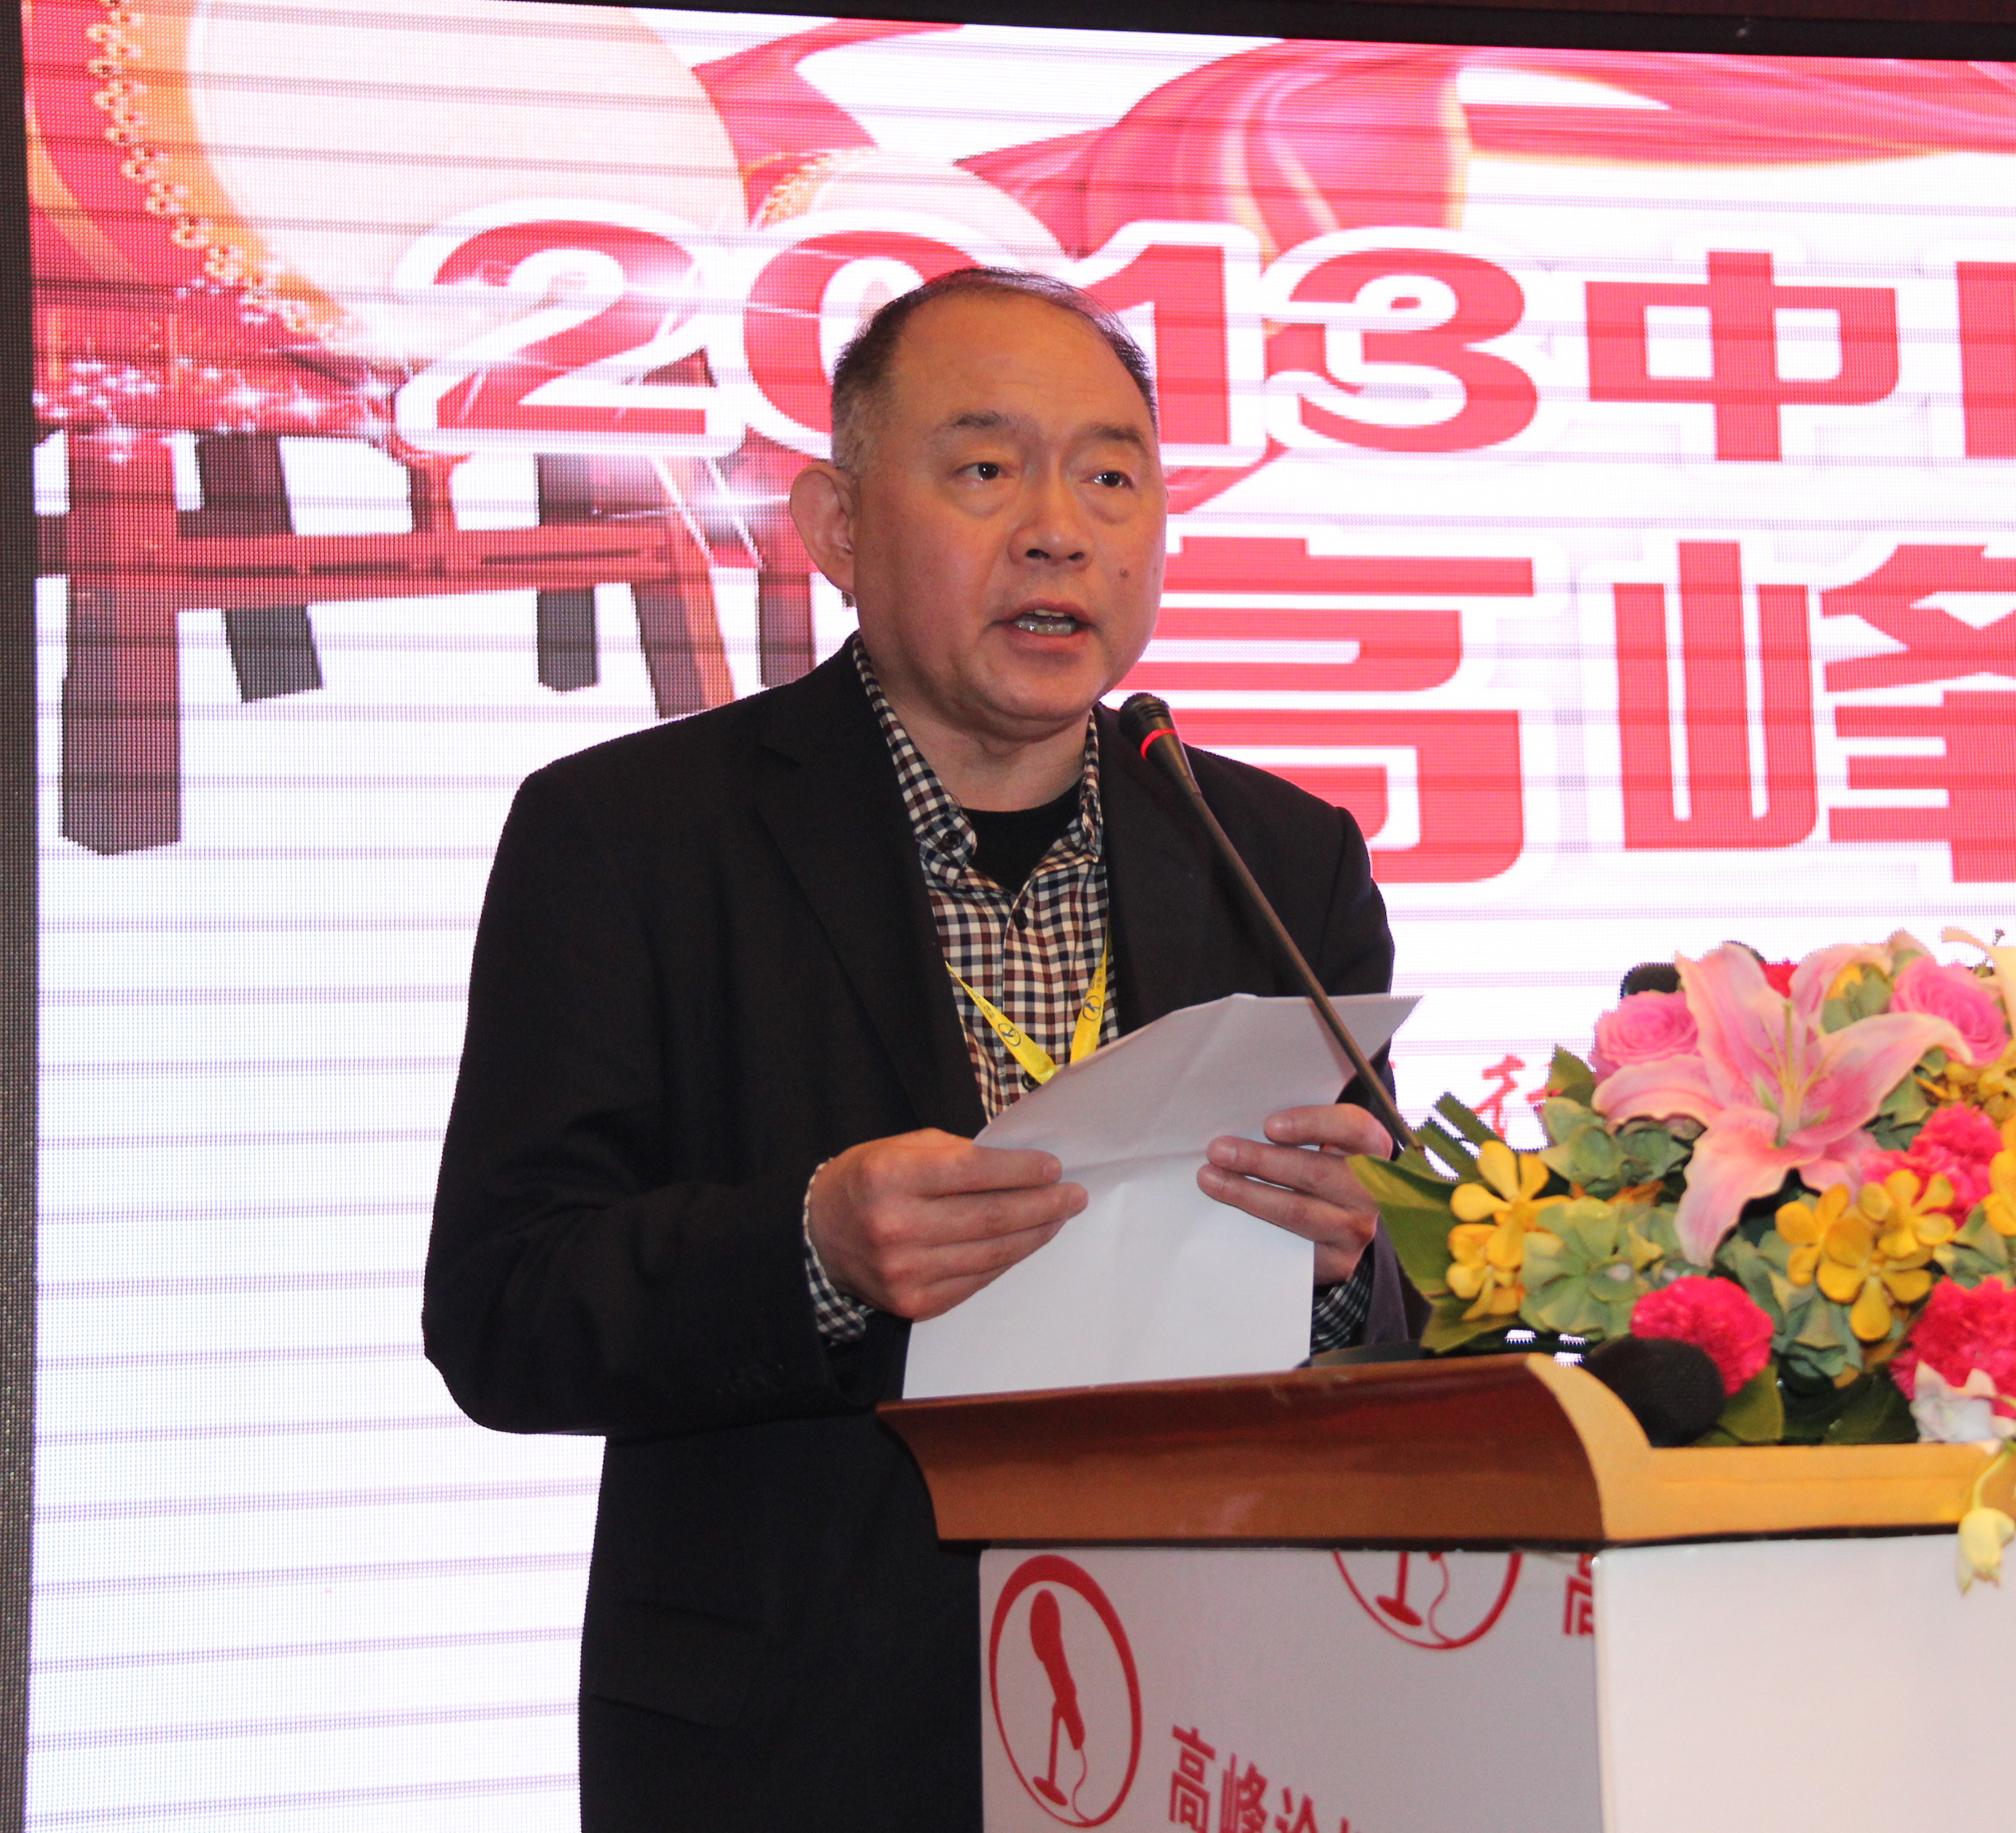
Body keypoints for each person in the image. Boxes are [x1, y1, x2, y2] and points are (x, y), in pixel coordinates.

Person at [422, 268, 1413, 1831]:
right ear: (834, 527)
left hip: (1210, 1722)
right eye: (985, 467)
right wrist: (809, 1250)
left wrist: (1349, 1264)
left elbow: (1383, 1309)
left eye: (1111, 477)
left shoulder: (1276, 858)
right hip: (798, 1747)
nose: (1059, 531)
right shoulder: (629, 838)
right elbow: (503, 1312)